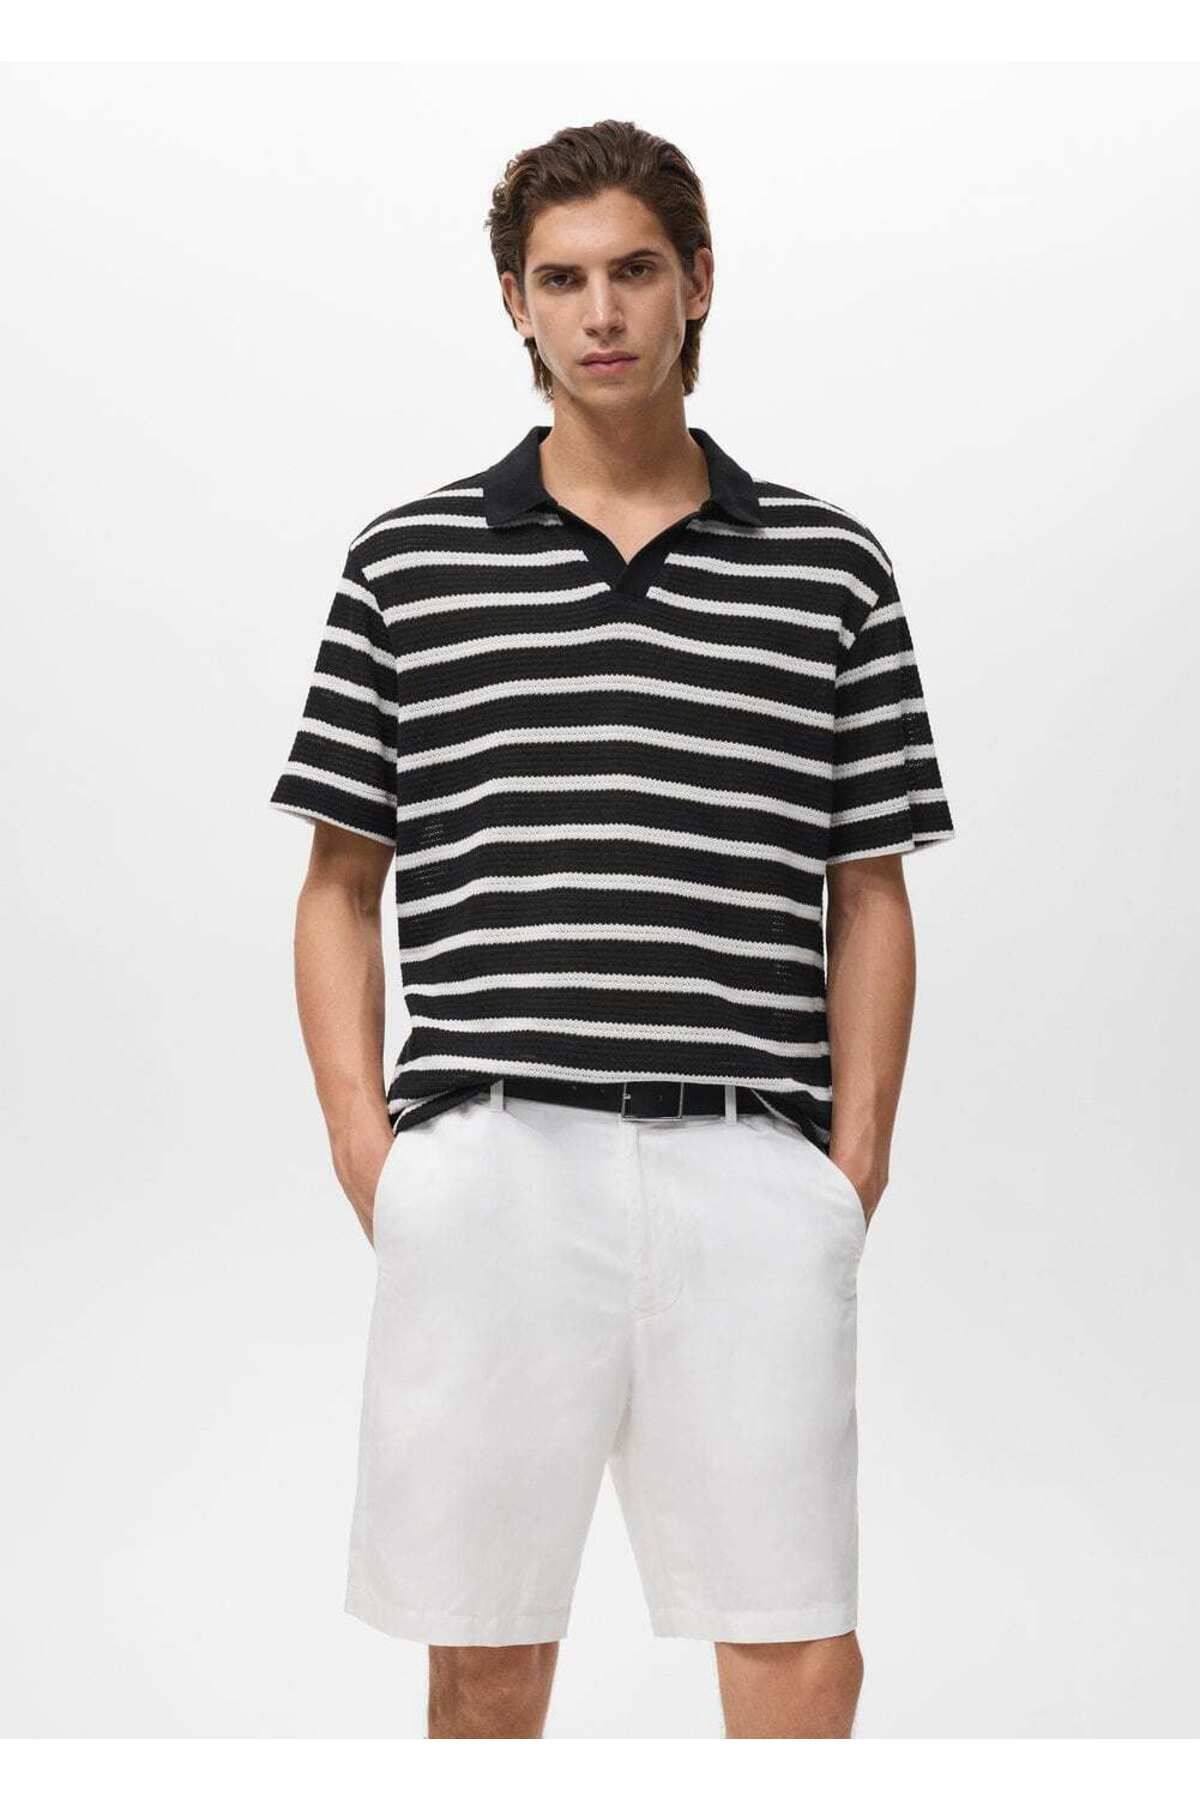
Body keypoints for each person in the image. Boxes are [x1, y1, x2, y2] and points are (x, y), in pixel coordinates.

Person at [268, 118, 955, 1739]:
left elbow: (870, 888)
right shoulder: (409, 563)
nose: (601, 313)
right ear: (515, 302)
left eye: (634, 271)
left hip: (748, 1161)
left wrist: (851, 1165)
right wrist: (373, 1153)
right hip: (491, 1163)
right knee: (486, 1651)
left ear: (697, 281)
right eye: (562, 279)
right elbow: (340, 883)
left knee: (800, 1641)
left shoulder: (828, 569)